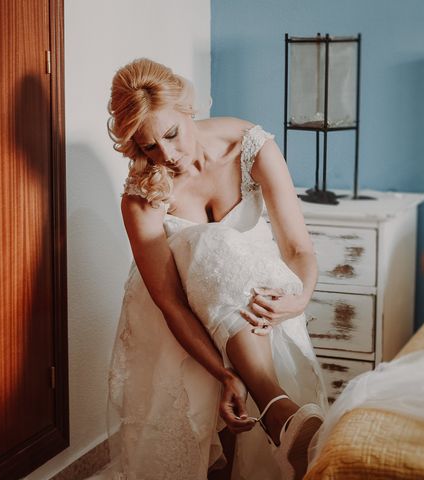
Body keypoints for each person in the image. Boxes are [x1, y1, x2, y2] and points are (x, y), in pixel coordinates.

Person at [102, 58, 327, 480]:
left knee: (234, 262)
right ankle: (278, 409)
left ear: (189, 110)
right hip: (181, 322)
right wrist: (223, 374)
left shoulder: (248, 145)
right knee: (214, 240)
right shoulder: (139, 196)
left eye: (171, 134)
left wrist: (299, 300)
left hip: (257, 305)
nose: (166, 156)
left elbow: (297, 247)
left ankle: (277, 416)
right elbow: (170, 303)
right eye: (149, 147)